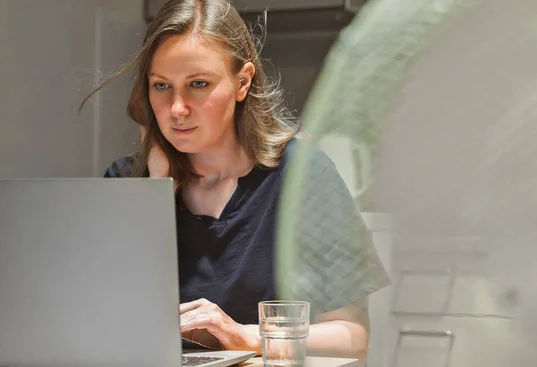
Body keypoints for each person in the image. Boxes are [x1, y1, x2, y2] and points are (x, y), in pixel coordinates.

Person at [80, 0, 389, 363]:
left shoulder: (302, 178)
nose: (177, 108)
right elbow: (101, 324)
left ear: (242, 82)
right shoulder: (127, 182)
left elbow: (351, 338)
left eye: (198, 84)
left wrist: (240, 335)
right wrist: (156, 193)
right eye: (162, 86)